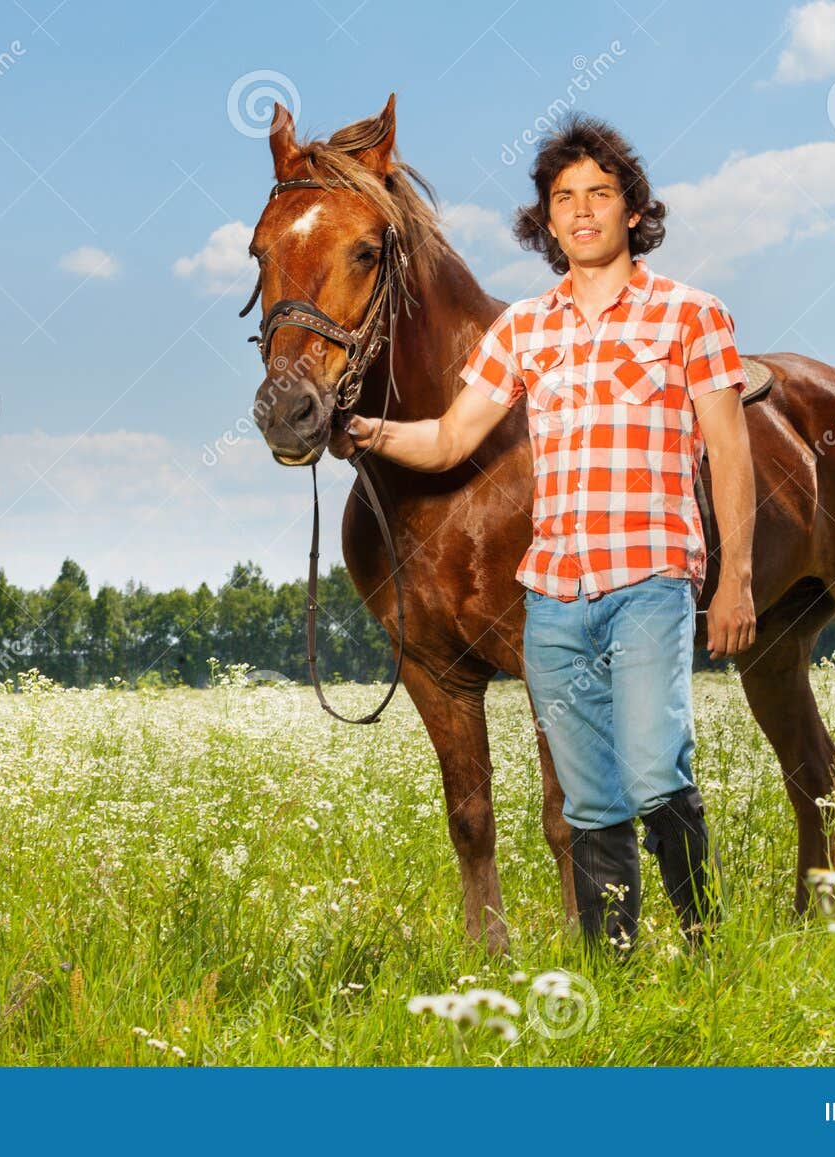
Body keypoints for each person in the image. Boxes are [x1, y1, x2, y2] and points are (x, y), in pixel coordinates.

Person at [340, 113, 758, 954]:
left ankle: (708, 946)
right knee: (592, 796)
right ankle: (612, 968)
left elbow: (729, 447)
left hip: (648, 580)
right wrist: (371, 432)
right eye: (563, 197)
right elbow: (454, 437)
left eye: (599, 194)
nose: (580, 211)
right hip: (553, 598)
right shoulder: (525, 329)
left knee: (652, 768)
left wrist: (736, 576)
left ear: (632, 211)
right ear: (546, 219)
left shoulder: (691, 315)